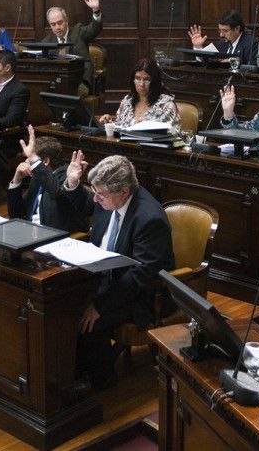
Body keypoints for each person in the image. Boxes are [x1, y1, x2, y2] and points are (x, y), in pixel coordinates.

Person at [62, 152, 174, 390]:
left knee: (87, 321)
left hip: (139, 294)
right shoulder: (108, 199)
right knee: (59, 306)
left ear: (123, 192)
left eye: (100, 194)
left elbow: (139, 276)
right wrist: (72, 182)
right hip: (103, 278)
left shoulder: (149, 219)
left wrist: (100, 306)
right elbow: (86, 205)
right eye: (94, 191)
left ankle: (100, 380)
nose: (95, 199)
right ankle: (67, 374)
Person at [7, 125, 86, 233]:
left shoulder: (67, 176)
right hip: (30, 232)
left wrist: (34, 159)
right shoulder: (37, 178)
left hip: (52, 236)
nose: (25, 162)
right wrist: (16, 180)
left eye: (29, 159)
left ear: (45, 161)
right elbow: (16, 214)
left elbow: (55, 192)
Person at [41, 0, 104, 95]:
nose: (57, 27)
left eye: (60, 22)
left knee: (67, 93)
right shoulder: (46, 42)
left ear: (66, 21)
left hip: (80, 81)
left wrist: (96, 10)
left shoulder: (78, 32)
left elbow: (94, 29)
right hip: (57, 82)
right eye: (53, 24)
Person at [98, 59, 181, 135]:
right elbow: (120, 126)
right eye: (138, 79)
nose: (141, 84)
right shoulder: (127, 101)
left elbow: (175, 133)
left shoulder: (166, 105)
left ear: (155, 81)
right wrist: (109, 123)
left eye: (147, 79)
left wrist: (147, 129)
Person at [187, 9, 259, 65]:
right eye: (220, 30)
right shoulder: (223, 43)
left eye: (225, 31)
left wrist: (232, 62)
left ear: (237, 29)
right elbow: (205, 63)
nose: (221, 35)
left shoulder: (251, 43)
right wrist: (198, 47)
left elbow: (252, 68)